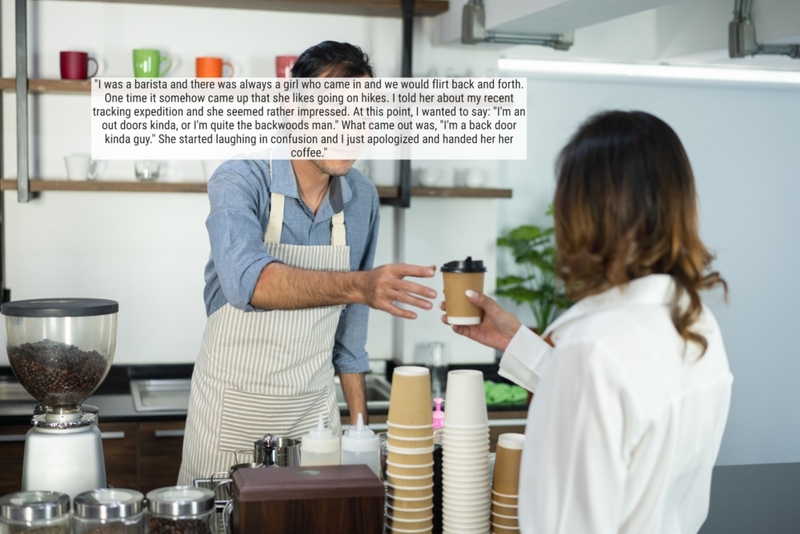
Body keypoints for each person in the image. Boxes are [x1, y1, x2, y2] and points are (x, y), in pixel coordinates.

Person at [446, 111, 732, 533]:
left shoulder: (592, 347)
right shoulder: (695, 321)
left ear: (583, 211)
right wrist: (518, 341)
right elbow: (618, 413)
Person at [178, 41, 437, 485]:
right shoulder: (239, 180)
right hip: (232, 416)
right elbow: (248, 284)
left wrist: (361, 432)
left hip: (314, 419)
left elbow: (351, 334)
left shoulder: (362, 199)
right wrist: (360, 285)